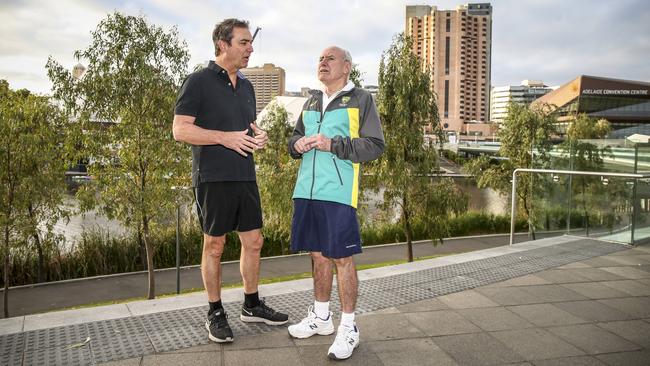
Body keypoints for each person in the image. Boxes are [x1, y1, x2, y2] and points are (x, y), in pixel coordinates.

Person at [172, 18, 288, 344]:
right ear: (223, 44)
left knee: (254, 242)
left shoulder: (248, 86)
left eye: (251, 43)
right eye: (244, 43)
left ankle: (251, 304)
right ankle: (215, 312)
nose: (251, 48)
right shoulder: (197, 81)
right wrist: (224, 138)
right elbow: (180, 130)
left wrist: (259, 136)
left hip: (244, 175)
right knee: (215, 245)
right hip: (212, 177)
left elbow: (246, 130)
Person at [286, 46, 385, 360]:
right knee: (318, 255)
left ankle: (349, 327)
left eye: (330, 59)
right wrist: (296, 144)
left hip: (339, 193)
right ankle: (321, 317)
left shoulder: (361, 99)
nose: (322, 63)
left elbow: (374, 145)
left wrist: (333, 144)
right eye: (319, 59)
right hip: (307, 190)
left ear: (347, 66)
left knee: (342, 258)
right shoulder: (312, 99)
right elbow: (293, 138)